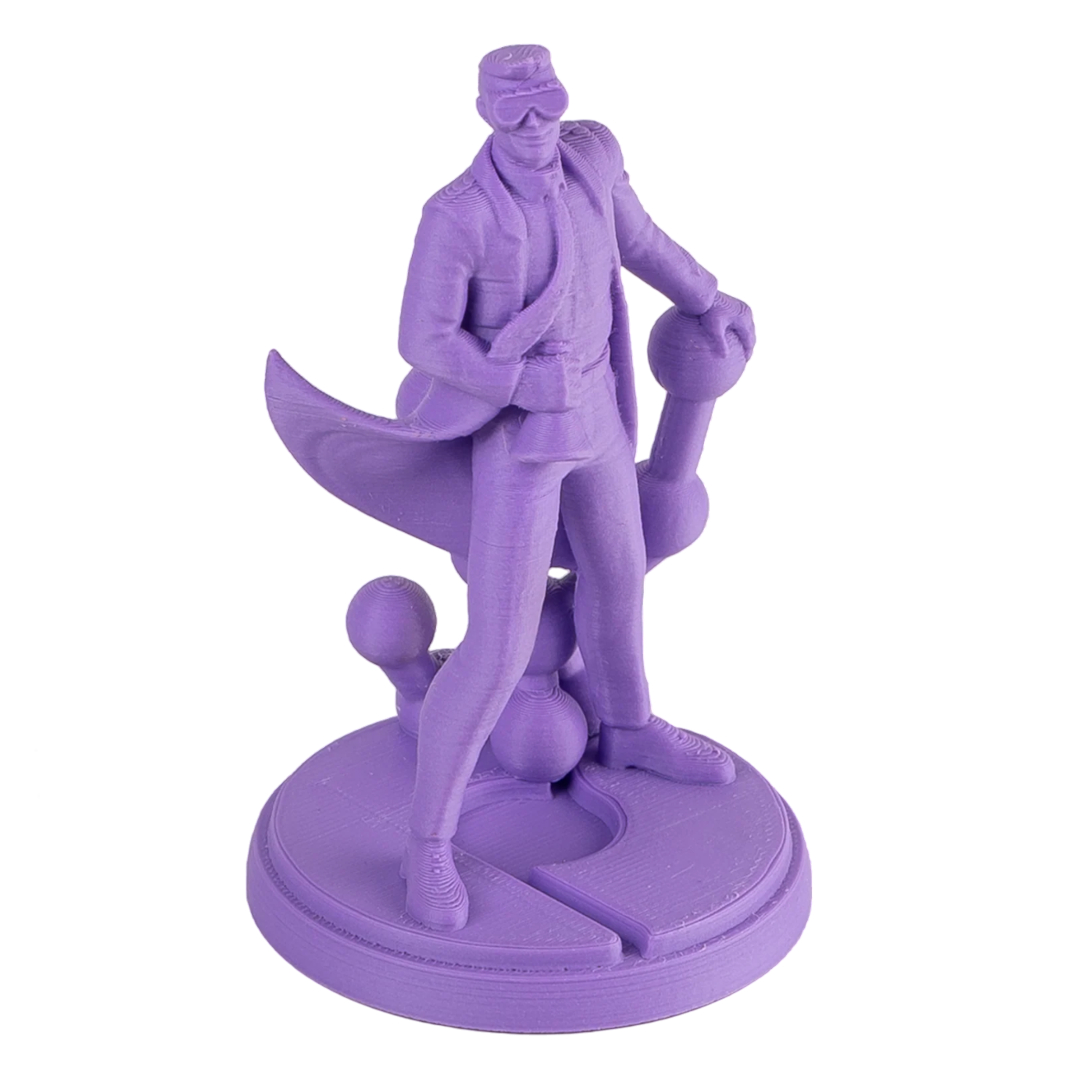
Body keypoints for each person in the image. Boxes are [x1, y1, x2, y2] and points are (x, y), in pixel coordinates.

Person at [398, 44, 757, 931]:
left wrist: (707, 297)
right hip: (519, 436)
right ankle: (428, 843)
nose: (533, 124)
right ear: (485, 113)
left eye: (544, 103)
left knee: (620, 576)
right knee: (498, 643)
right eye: (513, 109)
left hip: (596, 406)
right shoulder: (458, 214)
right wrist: (517, 383)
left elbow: (639, 240)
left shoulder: (591, 157)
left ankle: (628, 728)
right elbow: (424, 338)